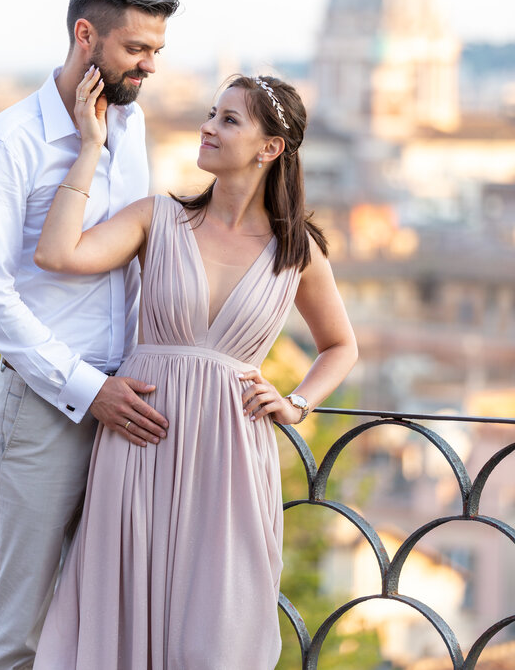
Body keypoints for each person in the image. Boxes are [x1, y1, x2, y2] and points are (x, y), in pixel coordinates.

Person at [31, 71, 358, 669]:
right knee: (122, 622)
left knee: (216, 634)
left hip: (232, 457)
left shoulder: (297, 250)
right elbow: (57, 253)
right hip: (138, 443)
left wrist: (297, 403)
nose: (207, 126)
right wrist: (89, 148)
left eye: (228, 120)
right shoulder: (159, 218)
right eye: (212, 113)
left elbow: (340, 346)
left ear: (270, 148)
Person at [0, 0, 179, 670]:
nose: (148, 66)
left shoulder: (133, 124)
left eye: (156, 51)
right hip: (48, 409)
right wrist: (91, 390)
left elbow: (136, 258)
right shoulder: (8, 142)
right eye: (135, 49)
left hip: (129, 405)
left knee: (102, 627)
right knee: (19, 634)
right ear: (86, 35)